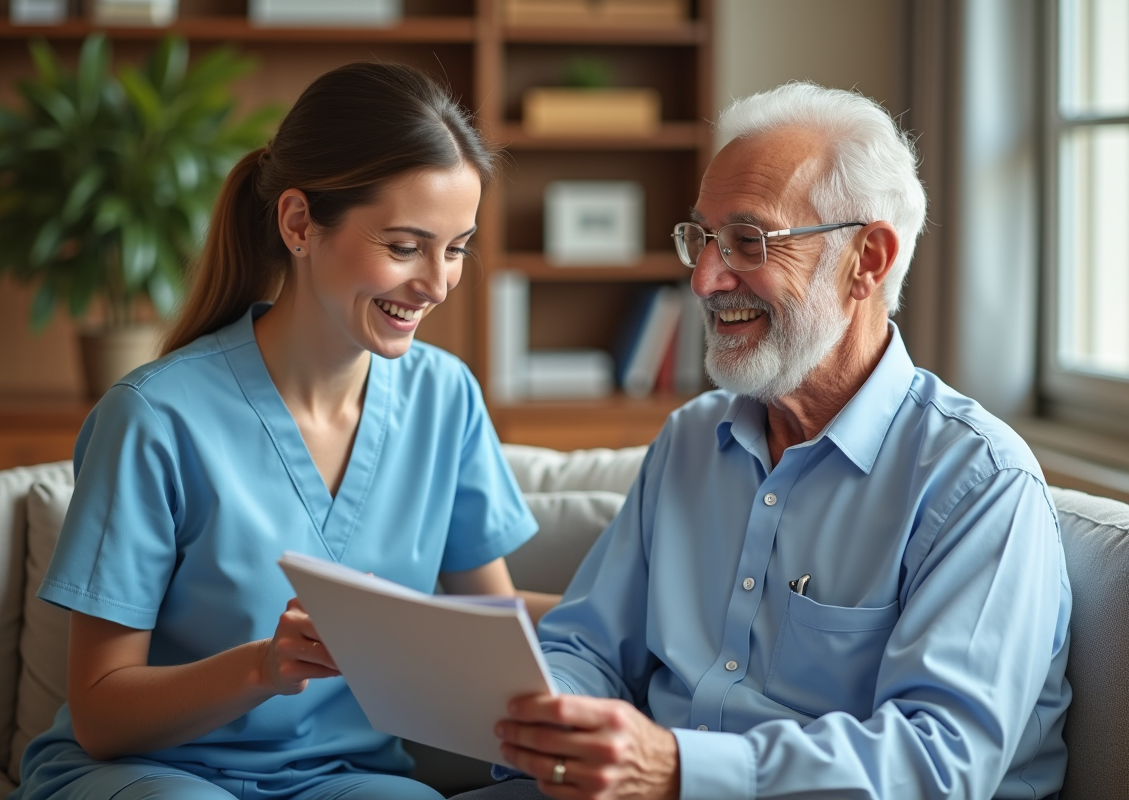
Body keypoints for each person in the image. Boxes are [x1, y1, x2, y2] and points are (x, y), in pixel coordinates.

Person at [456, 82, 1072, 800]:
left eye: (749, 242)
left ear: (866, 260)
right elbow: (588, 644)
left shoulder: (978, 482)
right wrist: (554, 721)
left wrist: (676, 770)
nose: (706, 277)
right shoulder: (692, 439)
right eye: (702, 238)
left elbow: (937, 762)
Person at [11, 62, 554, 800]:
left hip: (344, 779)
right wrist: (264, 667)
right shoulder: (154, 416)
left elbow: (486, 614)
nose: (437, 282)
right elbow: (102, 715)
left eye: (455, 247)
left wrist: (636, 617)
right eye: (404, 246)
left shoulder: (444, 396)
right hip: (154, 773)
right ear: (299, 223)